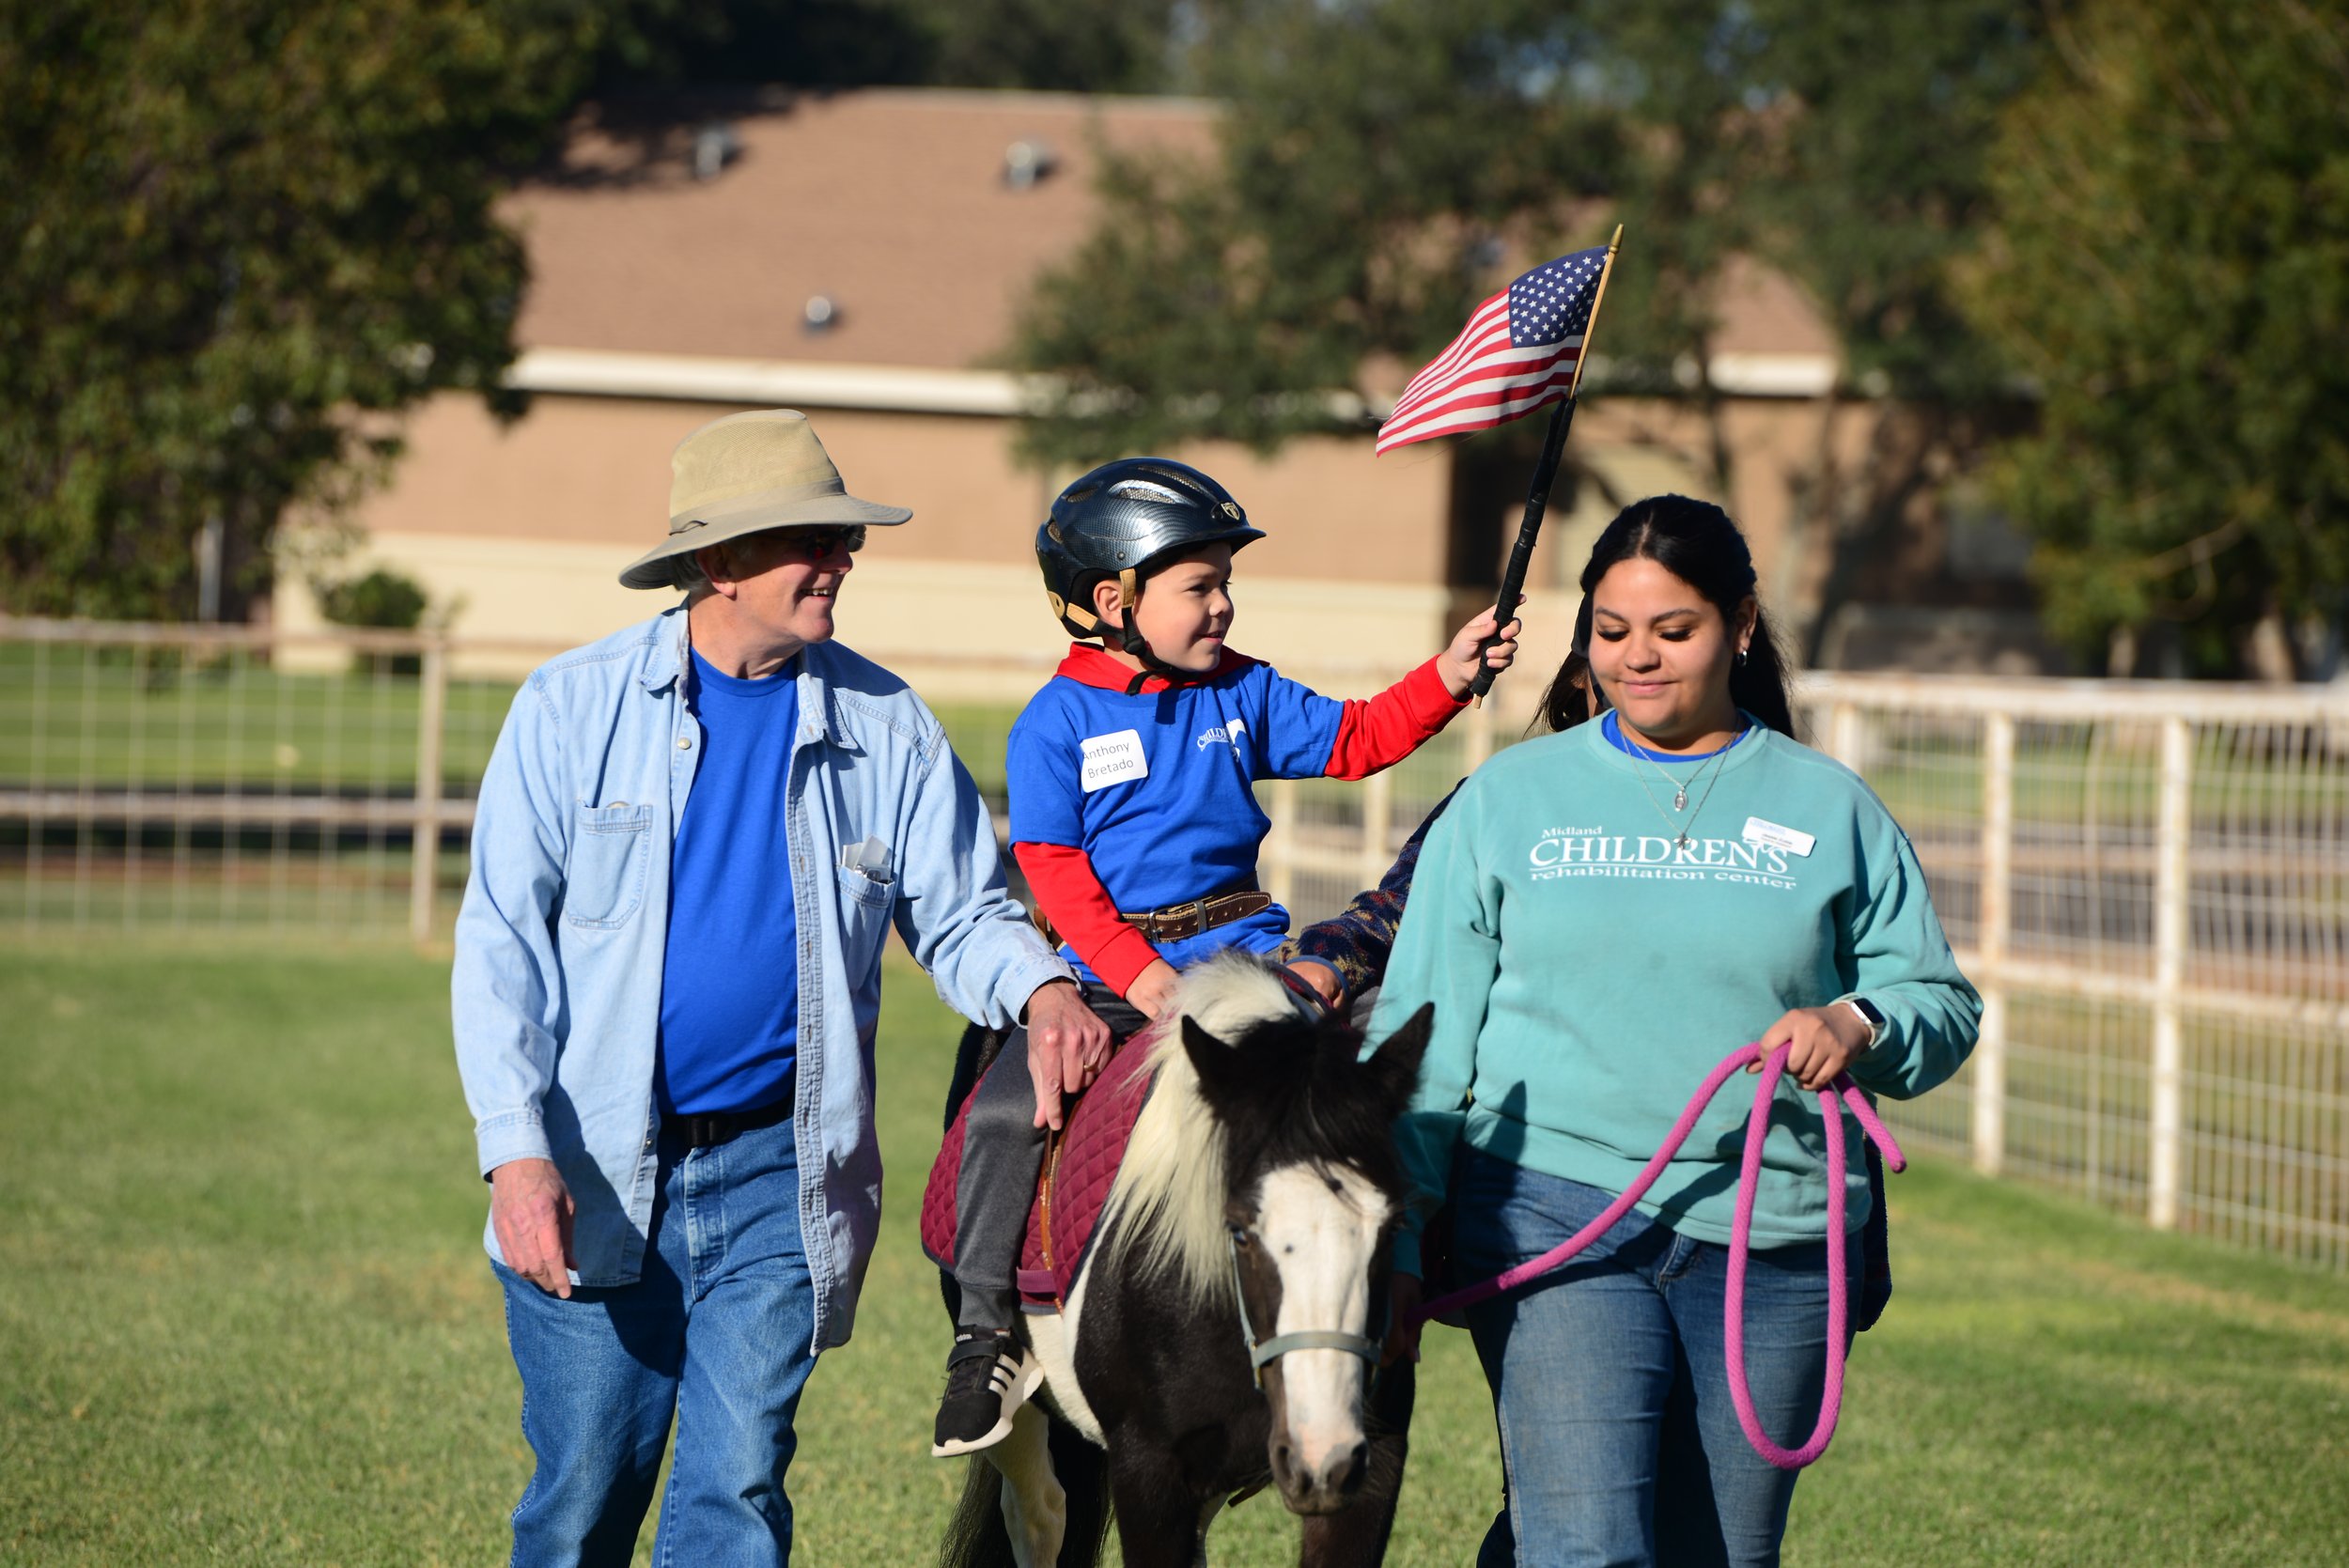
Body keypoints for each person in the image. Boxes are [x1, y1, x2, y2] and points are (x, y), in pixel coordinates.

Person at [452, 408, 1111, 1565]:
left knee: (737, 1493)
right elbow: (501, 946)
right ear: (717, 562)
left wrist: (1043, 988)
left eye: (842, 537)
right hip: (594, 1167)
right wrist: (517, 1154)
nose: (841, 559)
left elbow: (962, 913)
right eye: (812, 537)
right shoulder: (568, 710)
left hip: (779, 1173)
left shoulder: (887, 727)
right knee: (580, 1504)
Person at [1372, 494, 1981, 1567]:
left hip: (1776, 1232)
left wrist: (1858, 1017)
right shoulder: (1507, 799)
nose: (1636, 658)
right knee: (1586, 1546)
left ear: (1740, 626)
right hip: (1553, 1213)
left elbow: (1937, 1001)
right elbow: (1424, 1033)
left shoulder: (1829, 806)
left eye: (1672, 630)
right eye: (1610, 633)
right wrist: (1405, 1228)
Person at [931, 456, 1519, 1456]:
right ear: (1111, 600)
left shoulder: (1242, 691)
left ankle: (1399, 1289)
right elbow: (1055, 870)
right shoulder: (1055, 722)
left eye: (1225, 583)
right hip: (1111, 987)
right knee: (998, 1115)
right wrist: (1142, 979)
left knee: (1364, 1102)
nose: (1224, 606)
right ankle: (986, 1332)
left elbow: (1359, 738)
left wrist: (1449, 678)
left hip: (1251, 972)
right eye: (1200, 587)